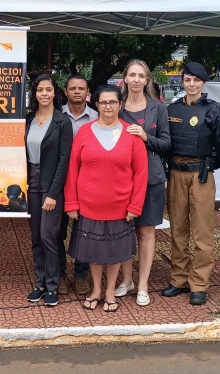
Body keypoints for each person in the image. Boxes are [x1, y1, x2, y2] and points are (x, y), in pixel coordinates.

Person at [65, 85, 148, 313]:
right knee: (93, 252)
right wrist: (71, 202)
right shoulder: (84, 132)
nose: (108, 106)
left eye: (113, 102)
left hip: (120, 206)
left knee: (114, 253)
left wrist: (135, 206)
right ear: (96, 104)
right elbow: (73, 168)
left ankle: (110, 291)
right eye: (104, 102)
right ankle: (95, 291)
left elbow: (141, 173)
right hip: (89, 205)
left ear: (120, 105)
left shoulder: (131, 134)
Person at [161, 62, 220, 305]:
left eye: (196, 80)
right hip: (176, 174)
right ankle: (178, 279)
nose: (191, 84)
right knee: (178, 230)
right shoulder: (172, 108)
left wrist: (211, 165)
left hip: (200, 175)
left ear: (203, 83)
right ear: (182, 82)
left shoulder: (214, 110)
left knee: (202, 233)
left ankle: (199, 284)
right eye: (187, 80)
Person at [116, 59, 171, 306]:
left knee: (146, 232)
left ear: (147, 80)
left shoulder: (157, 108)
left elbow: (167, 145)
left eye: (141, 76)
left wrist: (146, 136)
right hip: (121, 179)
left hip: (151, 179)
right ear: (125, 79)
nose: (137, 79)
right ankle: (126, 281)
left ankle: (143, 285)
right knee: (124, 231)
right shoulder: (116, 107)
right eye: (132, 75)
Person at [24, 75, 73, 306]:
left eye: (48, 89)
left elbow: (64, 161)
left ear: (55, 93)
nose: (44, 93)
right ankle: (40, 283)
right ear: (35, 94)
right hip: (30, 184)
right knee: (35, 237)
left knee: (48, 236)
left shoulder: (62, 122)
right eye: (40, 90)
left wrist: (53, 193)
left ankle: (53, 285)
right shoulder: (28, 120)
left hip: (51, 185)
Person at [59, 75, 97, 296]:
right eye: (72, 88)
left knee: (84, 230)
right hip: (58, 182)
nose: (76, 92)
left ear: (87, 91)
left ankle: (81, 273)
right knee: (57, 231)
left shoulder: (96, 117)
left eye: (81, 88)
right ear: (65, 91)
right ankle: (60, 273)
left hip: (88, 182)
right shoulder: (56, 116)